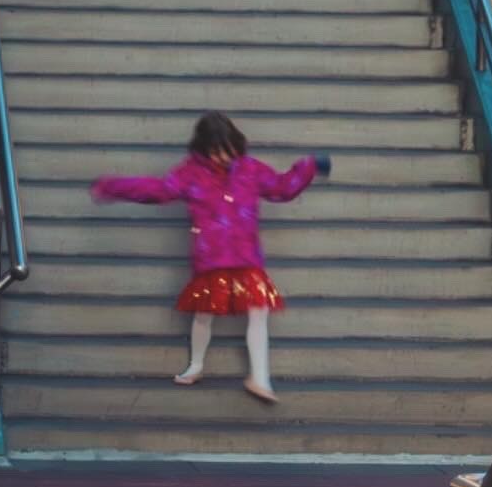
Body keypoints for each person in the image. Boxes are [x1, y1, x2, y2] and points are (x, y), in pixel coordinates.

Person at [91, 111, 330, 402]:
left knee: (259, 313)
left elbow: (281, 188)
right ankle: (196, 366)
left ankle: (260, 378)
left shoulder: (250, 169)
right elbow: (158, 190)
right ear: (204, 149)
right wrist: (112, 187)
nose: (223, 158)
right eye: (216, 152)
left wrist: (308, 166)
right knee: (204, 315)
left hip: (245, 258)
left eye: (228, 151)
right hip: (212, 259)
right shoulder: (190, 173)